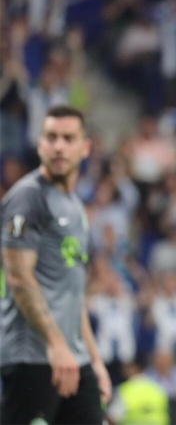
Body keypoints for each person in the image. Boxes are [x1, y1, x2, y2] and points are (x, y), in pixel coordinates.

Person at [1, 105, 112, 424]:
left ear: (85, 147)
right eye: (51, 137)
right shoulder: (27, 197)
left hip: (72, 358)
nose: (59, 146)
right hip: (32, 358)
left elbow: (73, 293)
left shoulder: (75, 207)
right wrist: (56, 346)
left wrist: (94, 360)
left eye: (68, 138)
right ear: (40, 145)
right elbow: (19, 279)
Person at [107, 352, 170, 425]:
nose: (123, 369)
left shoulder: (125, 391)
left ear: (133, 368)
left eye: (126, 366)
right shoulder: (158, 388)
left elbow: (113, 417)